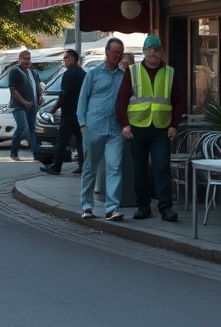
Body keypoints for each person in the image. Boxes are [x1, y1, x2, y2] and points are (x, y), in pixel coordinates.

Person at [117, 34, 185, 222]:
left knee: (162, 167)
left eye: (156, 50)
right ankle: (143, 206)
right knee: (140, 169)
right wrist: (124, 124)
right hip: (137, 128)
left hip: (162, 129)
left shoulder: (170, 72)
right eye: (150, 50)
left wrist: (174, 125)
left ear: (161, 52)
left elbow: (179, 101)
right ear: (144, 52)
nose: (153, 53)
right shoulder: (133, 71)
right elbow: (122, 98)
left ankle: (166, 208)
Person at [76, 37, 126, 221]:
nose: (118, 55)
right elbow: (82, 99)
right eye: (115, 52)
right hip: (93, 128)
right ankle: (87, 206)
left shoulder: (124, 75)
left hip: (114, 130)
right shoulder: (93, 73)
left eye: (120, 52)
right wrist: (82, 124)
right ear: (106, 52)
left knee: (115, 167)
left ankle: (112, 208)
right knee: (90, 168)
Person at [40, 49, 85, 176]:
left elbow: (63, 95)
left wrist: (54, 109)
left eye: (66, 58)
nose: (64, 60)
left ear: (72, 59)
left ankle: (56, 167)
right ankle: (82, 165)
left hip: (69, 113)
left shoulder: (68, 74)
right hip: (80, 113)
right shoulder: (83, 74)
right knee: (80, 141)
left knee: (62, 141)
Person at [8, 49, 43, 161]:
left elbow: (38, 87)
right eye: (25, 59)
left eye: (29, 59)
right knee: (23, 127)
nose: (27, 61)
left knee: (32, 130)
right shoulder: (15, 72)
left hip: (33, 105)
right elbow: (13, 91)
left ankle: (36, 155)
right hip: (18, 105)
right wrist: (24, 102)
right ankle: (14, 153)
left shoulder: (34, 72)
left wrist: (39, 98)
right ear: (19, 59)